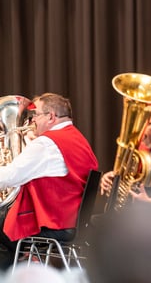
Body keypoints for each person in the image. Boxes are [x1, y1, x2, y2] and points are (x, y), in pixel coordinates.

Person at [0, 93, 99, 269]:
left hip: (52, 223)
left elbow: (9, 177)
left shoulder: (46, 143)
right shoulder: (79, 140)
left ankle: (11, 272)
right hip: (72, 222)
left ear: (51, 116)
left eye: (35, 115)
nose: (32, 121)